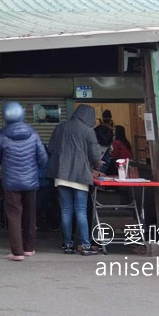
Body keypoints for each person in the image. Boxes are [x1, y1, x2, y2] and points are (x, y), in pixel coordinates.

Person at [0, 101, 47, 261]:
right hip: (31, 182)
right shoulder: (34, 134)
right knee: (30, 214)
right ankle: (29, 248)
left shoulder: (1, 135)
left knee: (14, 215)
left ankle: (17, 252)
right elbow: (43, 159)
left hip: (11, 182)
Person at [46, 104, 103, 255]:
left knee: (66, 210)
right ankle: (85, 245)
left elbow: (51, 148)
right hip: (80, 175)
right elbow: (95, 155)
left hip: (61, 175)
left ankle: (68, 244)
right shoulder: (88, 130)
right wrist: (97, 167)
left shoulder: (60, 128)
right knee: (80, 210)